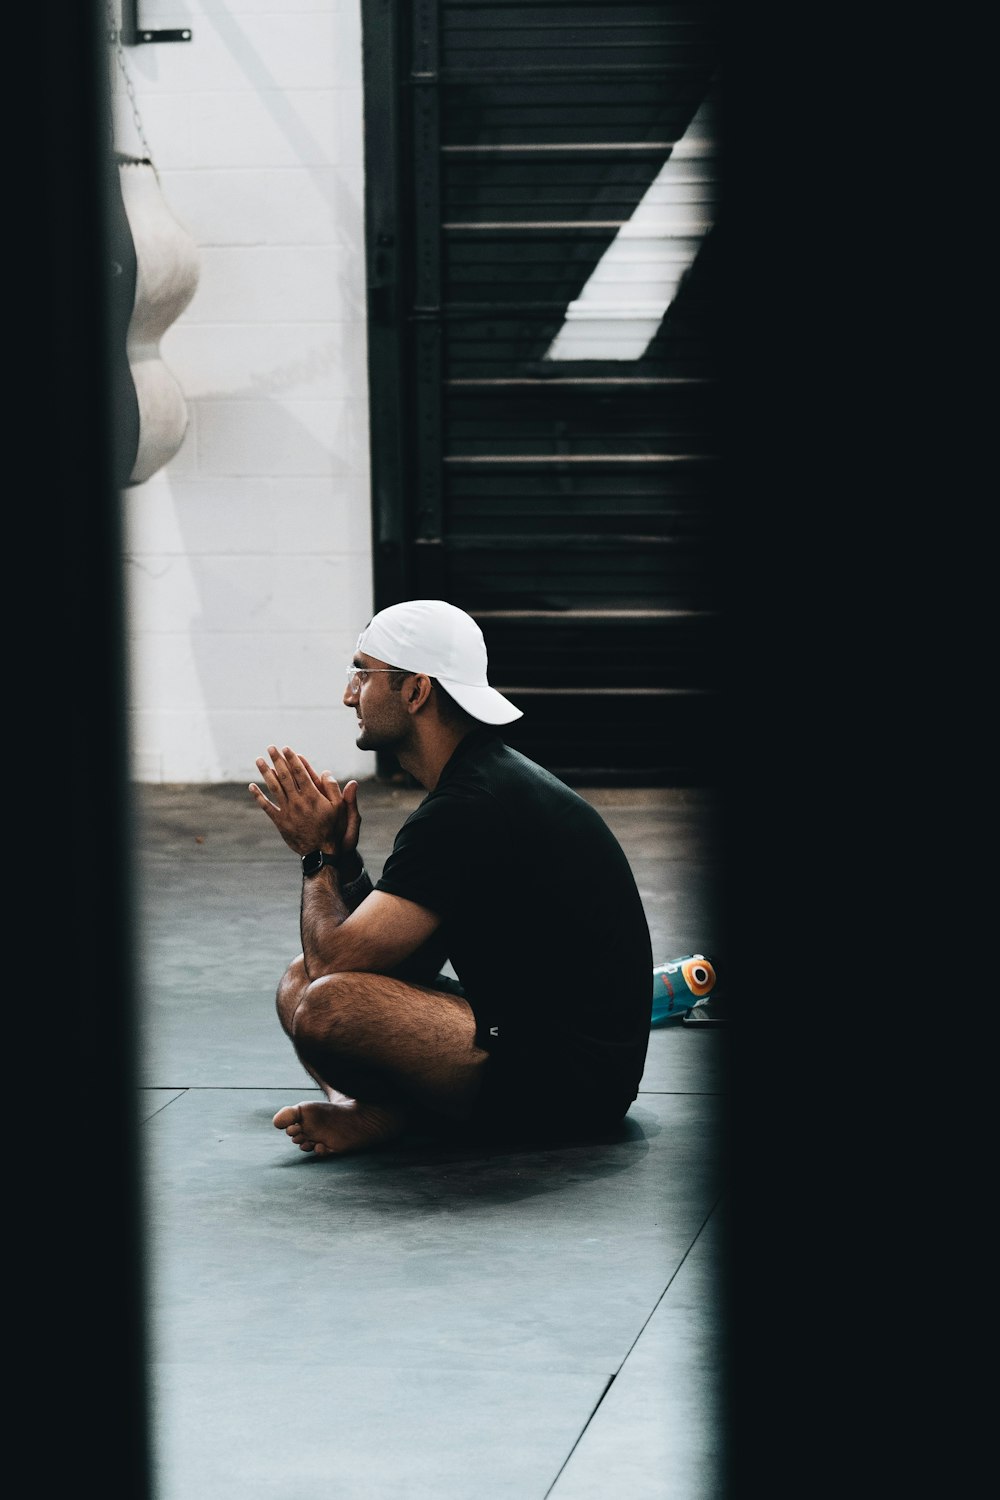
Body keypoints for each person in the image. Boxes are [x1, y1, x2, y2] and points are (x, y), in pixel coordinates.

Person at [250, 599, 653, 1157]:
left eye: (363, 674)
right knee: (299, 984)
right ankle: (367, 1110)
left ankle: (388, 1109)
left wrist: (316, 856)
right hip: (531, 1037)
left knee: (326, 1002)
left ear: (416, 691)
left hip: (573, 1082)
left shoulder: (471, 807)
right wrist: (344, 863)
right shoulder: (477, 784)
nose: (349, 695)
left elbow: (336, 964)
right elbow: (393, 955)